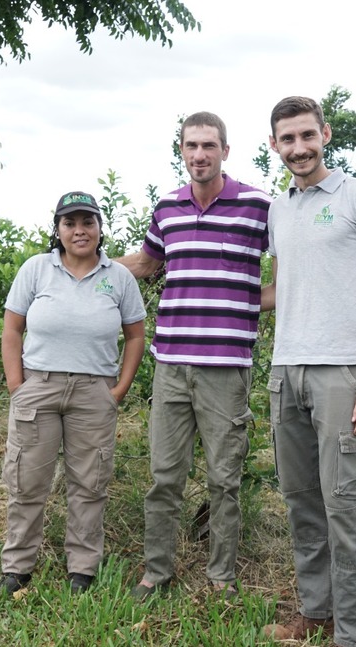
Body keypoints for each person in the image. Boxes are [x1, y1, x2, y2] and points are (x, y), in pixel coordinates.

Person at [261, 96, 356, 647]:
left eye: (307, 135)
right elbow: (283, 289)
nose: (298, 148)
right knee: (301, 501)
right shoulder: (280, 209)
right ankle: (315, 613)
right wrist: (214, 295)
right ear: (274, 145)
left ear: (325, 134)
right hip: (285, 373)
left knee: (343, 508)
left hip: (341, 375)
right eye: (287, 139)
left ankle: (352, 636)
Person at [118, 111, 271, 600]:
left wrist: (249, 298)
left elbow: (294, 267)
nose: (199, 155)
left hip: (227, 369)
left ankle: (221, 576)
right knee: (164, 477)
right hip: (171, 366)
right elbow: (145, 264)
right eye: (191, 146)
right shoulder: (167, 208)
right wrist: (83, 260)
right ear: (181, 151)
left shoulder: (258, 206)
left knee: (224, 480)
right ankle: (156, 572)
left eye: (209, 145)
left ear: (226, 150)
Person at [0, 190, 146, 596]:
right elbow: (12, 330)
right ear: (58, 230)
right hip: (38, 387)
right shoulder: (35, 269)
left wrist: (118, 389)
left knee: (89, 483)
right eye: (70, 223)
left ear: (100, 228)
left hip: (94, 393)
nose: (80, 230)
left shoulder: (118, 277)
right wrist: (17, 387)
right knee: (27, 481)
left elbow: (135, 336)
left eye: (88, 222)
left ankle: (82, 568)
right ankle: (17, 565)